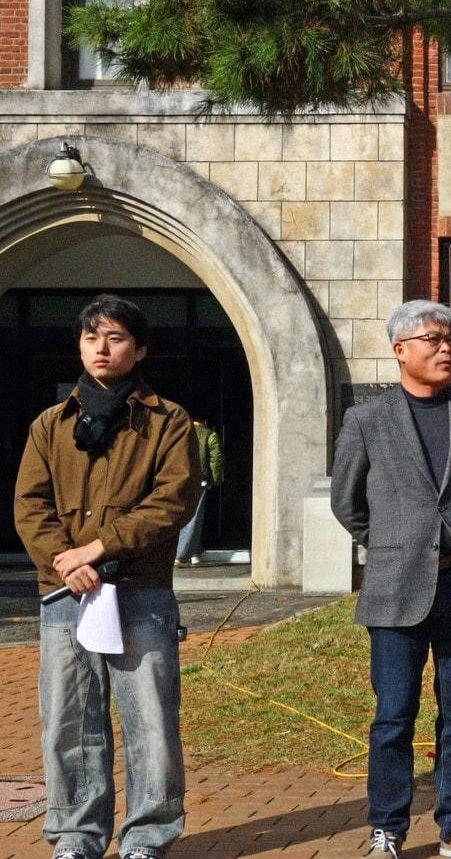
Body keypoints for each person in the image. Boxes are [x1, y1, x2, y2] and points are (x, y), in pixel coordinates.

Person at [14, 294, 201, 859]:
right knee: (70, 723)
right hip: (66, 594)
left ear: (139, 349)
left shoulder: (169, 422)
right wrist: (66, 563)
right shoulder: (50, 424)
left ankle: (148, 835)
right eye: (92, 337)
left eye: (116, 337)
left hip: (140, 591)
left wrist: (99, 546)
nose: (102, 347)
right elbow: (30, 504)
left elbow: (173, 500)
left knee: (150, 721)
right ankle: (75, 836)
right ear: (79, 345)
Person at [330, 300, 451, 859]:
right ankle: (387, 828)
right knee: (393, 716)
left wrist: (450, 539)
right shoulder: (366, 420)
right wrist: (395, 542)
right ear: (400, 350)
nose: (445, 349)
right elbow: (347, 502)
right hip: (395, 586)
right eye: (433, 339)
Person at [174, 417, 224, 567]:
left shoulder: (182, 432)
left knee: (187, 514)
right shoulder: (209, 434)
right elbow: (216, 459)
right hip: (200, 479)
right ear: (205, 421)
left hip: (182, 479)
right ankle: (181, 555)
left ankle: (195, 552)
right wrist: (215, 480)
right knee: (193, 517)